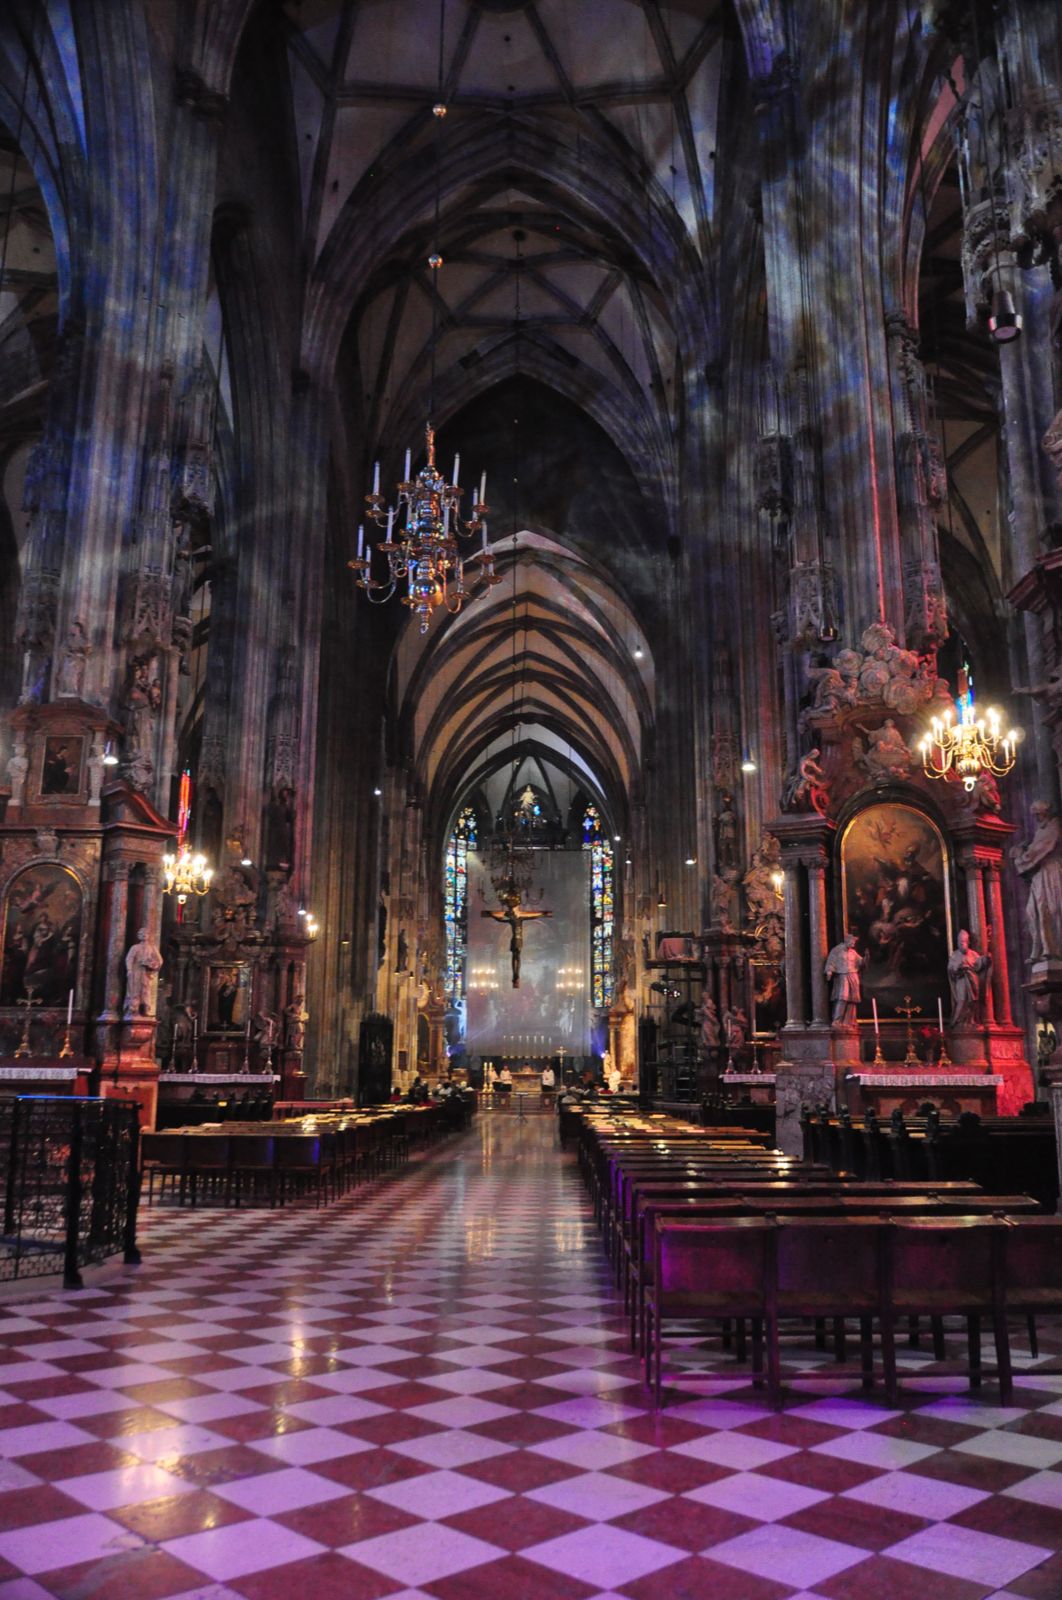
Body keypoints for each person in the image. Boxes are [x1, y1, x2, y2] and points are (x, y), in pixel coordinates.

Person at [1012, 801, 1062, 962]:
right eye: (1034, 816)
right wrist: (1021, 851)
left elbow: (1041, 849)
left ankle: (1054, 948)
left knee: (1052, 908)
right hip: (1039, 874)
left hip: (1051, 871)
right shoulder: (1040, 830)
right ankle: (1042, 948)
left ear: (1045, 812)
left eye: (1038, 815)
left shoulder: (1054, 826)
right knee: (1032, 911)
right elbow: (1034, 847)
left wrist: (1021, 857)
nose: (1036, 818)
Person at [948, 929, 991, 1025]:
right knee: (962, 1000)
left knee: (973, 1001)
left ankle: (972, 1020)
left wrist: (986, 958)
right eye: (960, 942)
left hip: (972, 981)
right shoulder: (955, 955)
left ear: (968, 942)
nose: (962, 944)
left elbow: (980, 963)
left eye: (964, 942)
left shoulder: (973, 954)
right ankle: (958, 1021)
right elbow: (950, 969)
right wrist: (958, 967)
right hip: (961, 980)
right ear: (958, 943)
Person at [824, 932, 864, 1024]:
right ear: (847, 940)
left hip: (853, 975)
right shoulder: (837, 950)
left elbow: (860, 962)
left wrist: (866, 959)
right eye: (852, 942)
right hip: (842, 975)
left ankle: (849, 1021)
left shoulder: (853, 952)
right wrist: (829, 971)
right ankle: (837, 1020)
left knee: (852, 999)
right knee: (843, 997)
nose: (854, 944)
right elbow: (831, 961)